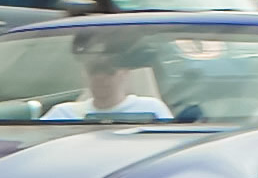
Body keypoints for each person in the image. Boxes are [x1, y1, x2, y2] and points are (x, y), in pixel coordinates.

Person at [43, 38, 173, 121]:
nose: (100, 77)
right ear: (85, 74)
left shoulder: (152, 109)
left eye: (109, 71)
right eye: (94, 70)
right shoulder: (62, 114)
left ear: (124, 73)